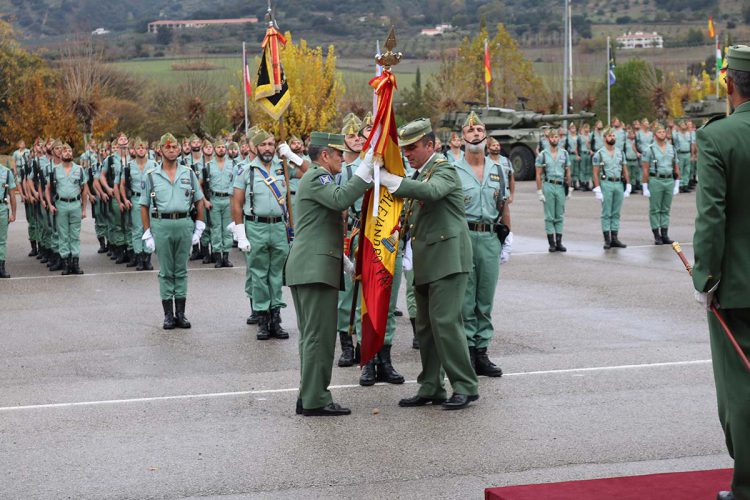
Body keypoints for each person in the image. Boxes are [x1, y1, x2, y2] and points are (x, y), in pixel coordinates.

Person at [379, 118, 480, 410]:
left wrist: (392, 181)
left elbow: (432, 193)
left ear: (431, 145)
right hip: (425, 261)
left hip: (448, 260)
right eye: (405, 148)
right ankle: (431, 386)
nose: (407, 154)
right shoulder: (420, 174)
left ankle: (465, 385)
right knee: (425, 328)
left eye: (413, 148)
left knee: (446, 323)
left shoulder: (444, 169)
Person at [692, 45, 750, 500]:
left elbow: (711, 217)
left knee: (741, 386)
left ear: (730, 83)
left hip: (739, 286)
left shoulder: (718, 136)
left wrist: (704, 278)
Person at [283, 131, 373, 416]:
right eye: (338, 154)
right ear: (324, 155)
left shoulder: (314, 177)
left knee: (312, 336)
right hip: (314, 269)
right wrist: (366, 167)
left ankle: (308, 393)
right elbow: (340, 199)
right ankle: (315, 399)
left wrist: (344, 259)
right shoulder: (318, 177)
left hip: (313, 266)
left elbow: (319, 225)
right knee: (318, 337)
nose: (342, 158)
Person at [453, 111, 510, 378]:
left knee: (485, 298)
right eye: (470, 129)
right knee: (465, 299)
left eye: (479, 129)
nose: (475, 133)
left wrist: (508, 238)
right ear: (462, 137)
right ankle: (466, 352)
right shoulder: (453, 170)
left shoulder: (498, 169)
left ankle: (482, 353)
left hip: (489, 237)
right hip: (463, 236)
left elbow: (503, 205)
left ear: (485, 135)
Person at [140, 133, 206, 330]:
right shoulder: (151, 175)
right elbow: (144, 205)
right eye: (167, 147)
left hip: (184, 223)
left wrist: (199, 226)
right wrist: (147, 233)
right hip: (162, 225)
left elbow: (199, 200)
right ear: (160, 150)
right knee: (166, 271)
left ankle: (181, 314)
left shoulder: (188, 173)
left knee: (181, 270)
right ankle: (168, 315)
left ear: (179, 150)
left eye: (174, 147)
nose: (171, 150)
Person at [231, 130, 291, 340]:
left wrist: (291, 155)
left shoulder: (282, 167)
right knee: (258, 274)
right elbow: (237, 204)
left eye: (271, 144)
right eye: (263, 144)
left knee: (276, 274)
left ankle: (276, 319)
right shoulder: (246, 170)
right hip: (256, 227)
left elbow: (307, 170)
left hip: (278, 228)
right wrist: (241, 234)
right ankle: (263, 320)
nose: (268, 148)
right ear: (255, 148)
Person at [47, 143, 89, 275]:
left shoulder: (79, 169)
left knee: (75, 235)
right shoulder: (55, 170)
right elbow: (47, 189)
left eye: (70, 151)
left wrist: (83, 209)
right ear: (60, 154)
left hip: (75, 204)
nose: (67, 153)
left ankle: (75, 263)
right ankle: (65, 263)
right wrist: (50, 204)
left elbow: (84, 190)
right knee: (63, 235)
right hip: (61, 205)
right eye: (64, 151)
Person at [119, 138, 156, 271]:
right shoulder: (129, 166)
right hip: (135, 199)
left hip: (151, 200)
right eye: (138, 148)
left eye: (143, 148)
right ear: (133, 150)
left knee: (149, 229)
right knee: (137, 230)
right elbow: (122, 185)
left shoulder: (154, 165)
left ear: (147, 150)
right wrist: (125, 199)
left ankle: (147, 257)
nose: (141, 150)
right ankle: (139, 258)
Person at [592, 128, 631, 249]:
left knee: (616, 212)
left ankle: (615, 237)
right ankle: (607, 239)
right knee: (606, 212)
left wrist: (628, 184)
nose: (612, 137)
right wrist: (597, 188)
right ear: (605, 138)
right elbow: (595, 172)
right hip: (606, 183)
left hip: (618, 183)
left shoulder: (620, 152)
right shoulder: (599, 154)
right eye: (609, 135)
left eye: (613, 135)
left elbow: (624, 169)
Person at [641, 123, 680, 245]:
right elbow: (645, 169)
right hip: (656, 180)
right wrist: (645, 186)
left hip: (669, 180)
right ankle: (656, 235)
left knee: (666, 209)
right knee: (655, 209)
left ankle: (665, 234)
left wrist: (677, 183)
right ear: (655, 134)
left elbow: (676, 166)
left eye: (664, 132)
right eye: (660, 132)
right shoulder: (649, 149)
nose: (662, 134)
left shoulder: (671, 148)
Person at [535, 129, 572, 252]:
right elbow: (538, 174)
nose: (555, 139)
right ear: (548, 139)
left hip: (561, 185)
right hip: (549, 185)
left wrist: (570, 187)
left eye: (556, 137)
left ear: (559, 138)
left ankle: (559, 242)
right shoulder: (543, 155)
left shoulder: (564, 154)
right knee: (549, 216)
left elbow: (568, 171)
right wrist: (539, 191)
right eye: (552, 137)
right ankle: (551, 243)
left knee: (560, 215)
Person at [201, 138, 235, 268]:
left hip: (228, 199)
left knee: (227, 229)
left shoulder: (233, 164)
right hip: (214, 199)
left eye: (222, 146)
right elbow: (200, 184)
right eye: (218, 147)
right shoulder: (209, 166)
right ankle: (218, 257)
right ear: (215, 149)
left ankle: (226, 256)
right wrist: (205, 200)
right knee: (215, 229)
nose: (221, 149)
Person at [0, 159, 18, 278]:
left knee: (1, 240)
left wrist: (13, 213)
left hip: (2, 207)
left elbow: (12, 195)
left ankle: (1, 267)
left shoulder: (6, 173)